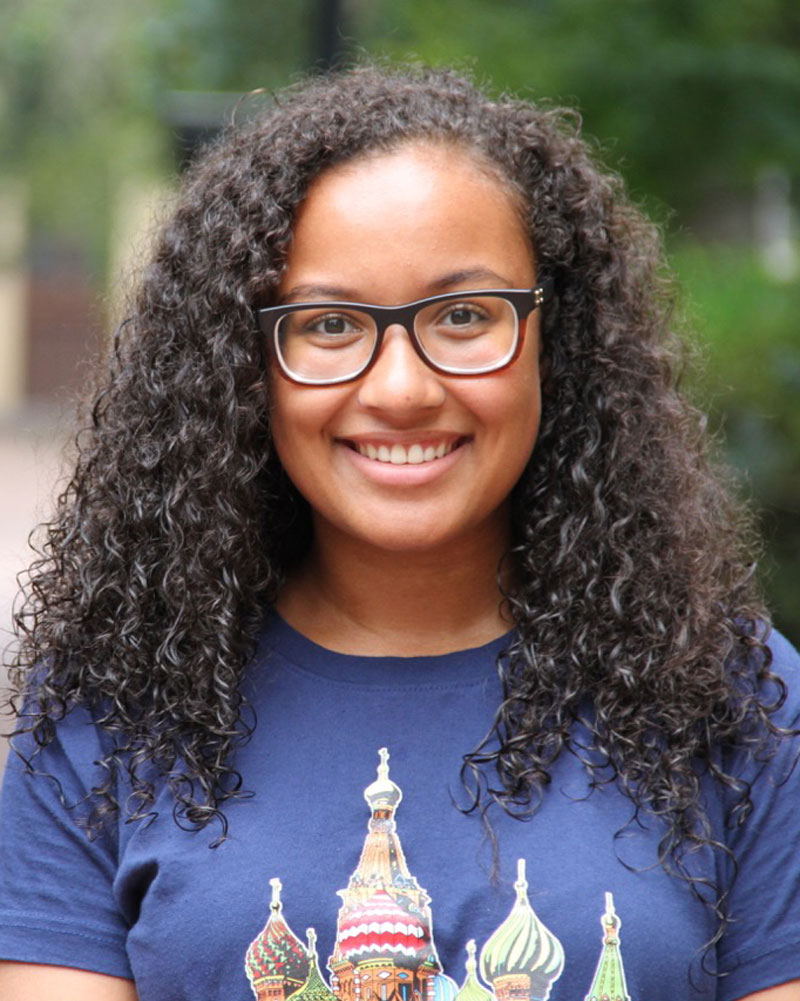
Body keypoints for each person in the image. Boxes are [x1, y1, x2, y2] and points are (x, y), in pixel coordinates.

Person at [0, 64, 798, 1001]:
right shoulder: (110, 716)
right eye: (330, 323)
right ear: (242, 363)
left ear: (558, 337)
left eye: (464, 315)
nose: (403, 388)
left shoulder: (734, 705)